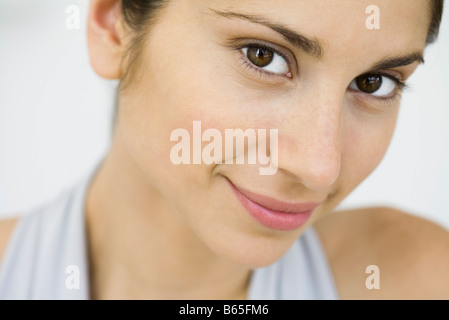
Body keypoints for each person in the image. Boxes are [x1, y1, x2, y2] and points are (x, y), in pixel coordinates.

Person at [0, 0, 447, 300]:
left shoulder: (419, 280)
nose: (319, 167)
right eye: (262, 56)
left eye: (374, 82)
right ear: (112, 25)